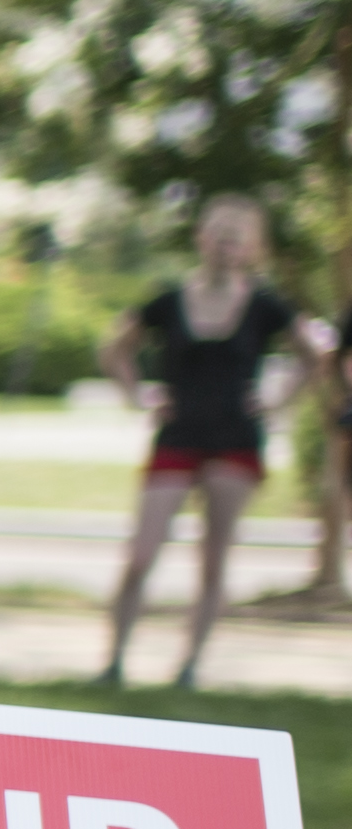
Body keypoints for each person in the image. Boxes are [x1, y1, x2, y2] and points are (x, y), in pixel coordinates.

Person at [102, 193, 329, 688]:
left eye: (237, 239)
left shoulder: (266, 303)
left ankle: (188, 667)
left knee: (213, 558)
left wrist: (279, 400)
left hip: (235, 441)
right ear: (201, 239)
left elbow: (315, 353)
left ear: (251, 248)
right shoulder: (168, 299)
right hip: (178, 435)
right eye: (218, 236)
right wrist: (138, 395)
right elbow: (114, 348)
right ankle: (113, 661)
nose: (226, 247)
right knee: (141, 553)